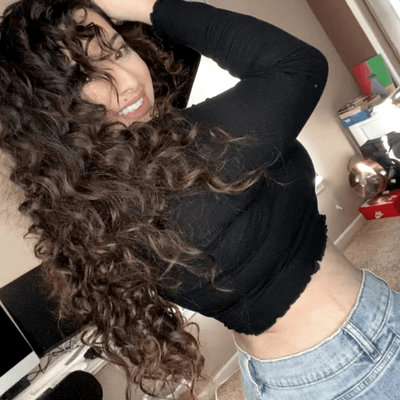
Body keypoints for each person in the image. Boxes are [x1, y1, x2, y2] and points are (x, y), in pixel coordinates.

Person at [1, 0, 400, 399]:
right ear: (53, 110)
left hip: (298, 368)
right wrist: (144, 5)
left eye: (119, 51)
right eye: (89, 75)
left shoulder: (103, 198)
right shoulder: (179, 165)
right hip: (357, 355)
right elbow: (296, 65)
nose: (127, 82)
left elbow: (179, 63)